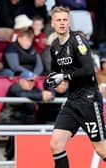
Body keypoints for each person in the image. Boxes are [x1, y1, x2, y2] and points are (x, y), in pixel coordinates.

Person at [44, 6, 106, 167]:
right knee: (56, 144)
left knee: (102, 150)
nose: (62, 23)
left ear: (69, 21)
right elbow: (55, 72)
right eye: (58, 20)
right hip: (72, 100)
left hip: (88, 100)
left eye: (65, 19)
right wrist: (52, 81)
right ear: (52, 23)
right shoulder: (55, 47)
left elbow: (87, 70)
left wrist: (63, 76)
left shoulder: (78, 41)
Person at [0, 71, 54, 160]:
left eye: (32, 81)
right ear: (21, 81)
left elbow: (44, 94)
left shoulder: (34, 89)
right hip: (9, 120)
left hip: (25, 122)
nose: (31, 83)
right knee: (18, 130)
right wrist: (41, 96)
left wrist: (48, 94)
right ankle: (8, 156)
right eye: (28, 81)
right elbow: (23, 95)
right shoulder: (14, 88)